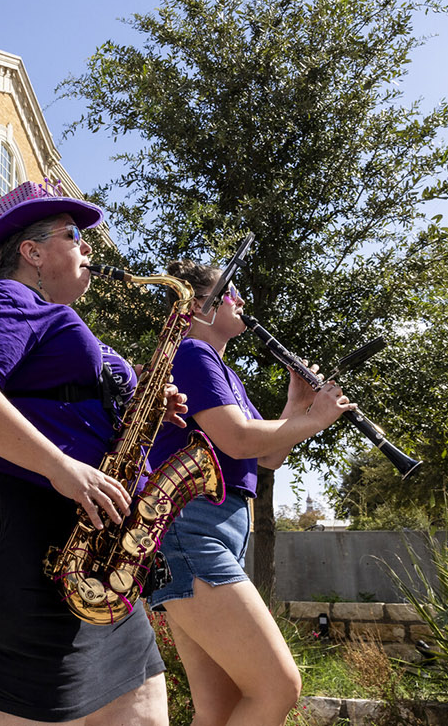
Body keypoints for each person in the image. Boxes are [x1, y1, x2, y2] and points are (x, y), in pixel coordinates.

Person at [0, 179, 186, 726]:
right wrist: (62, 467)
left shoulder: (50, 318)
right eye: (74, 235)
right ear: (32, 250)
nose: (90, 246)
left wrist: (141, 411)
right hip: (21, 524)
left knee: (142, 706)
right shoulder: (8, 298)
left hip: (82, 541)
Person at [146, 259, 353, 726]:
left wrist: (295, 407)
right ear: (200, 305)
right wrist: (316, 419)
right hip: (193, 533)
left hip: (205, 534)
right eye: (231, 292)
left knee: (218, 709)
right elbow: (238, 439)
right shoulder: (193, 355)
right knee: (278, 687)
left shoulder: (219, 367)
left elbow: (265, 457)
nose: (241, 300)